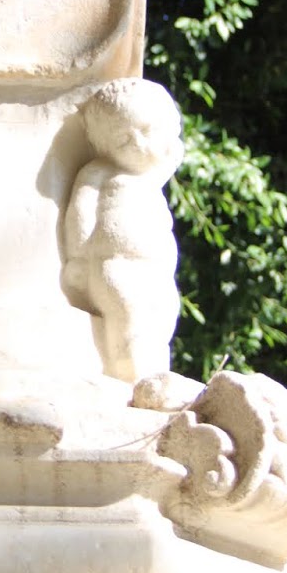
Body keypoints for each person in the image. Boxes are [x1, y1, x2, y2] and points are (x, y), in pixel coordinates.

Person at [63, 79, 183, 382]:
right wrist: (78, 256)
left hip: (156, 269)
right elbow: (81, 212)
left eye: (147, 131)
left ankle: (154, 373)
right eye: (123, 141)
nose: (140, 145)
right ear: (104, 147)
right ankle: (128, 372)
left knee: (164, 312)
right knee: (127, 312)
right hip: (115, 264)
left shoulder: (150, 176)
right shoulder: (99, 173)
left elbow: (172, 155)